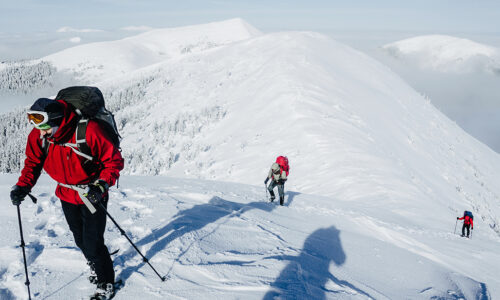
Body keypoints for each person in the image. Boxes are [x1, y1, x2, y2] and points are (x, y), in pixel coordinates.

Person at [10, 97, 124, 299]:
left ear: (57, 120)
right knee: (79, 238)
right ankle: (94, 263)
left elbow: (113, 161)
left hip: (92, 194)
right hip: (65, 193)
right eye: (37, 127)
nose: (41, 132)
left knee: (93, 242)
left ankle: (105, 282)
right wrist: (23, 185)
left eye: (44, 127)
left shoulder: (90, 131)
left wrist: (101, 185)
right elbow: (33, 162)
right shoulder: (40, 136)